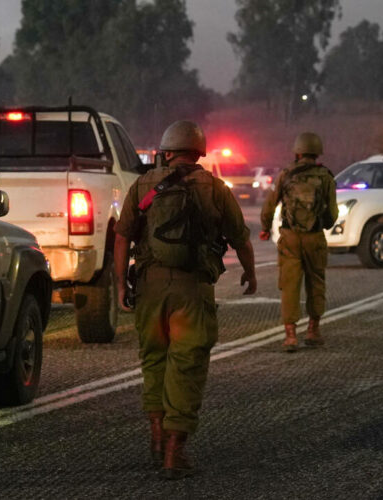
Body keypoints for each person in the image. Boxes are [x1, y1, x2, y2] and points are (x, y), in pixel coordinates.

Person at [114, 120, 257, 480]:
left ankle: (156, 437)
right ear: (199, 152)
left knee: (154, 360)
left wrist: (120, 285)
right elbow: (240, 237)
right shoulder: (215, 188)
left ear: (165, 151)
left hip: (150, 287)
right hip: (192, 290)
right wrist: (250, 272)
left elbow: (121, 237)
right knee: (187, 364)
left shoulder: (143, 185)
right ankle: (174, 453)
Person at [259, 132, 337, 352]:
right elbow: (332, 213)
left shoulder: (286, 175)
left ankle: (290, 335)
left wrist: (265, 229)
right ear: (317, 152)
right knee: (316, 283)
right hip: (314, 237)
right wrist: (322, 224)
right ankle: (313, 330)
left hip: (290, 238)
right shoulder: (326, 177)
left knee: (289, 285)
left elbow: (269, 206)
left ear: (298, 152)